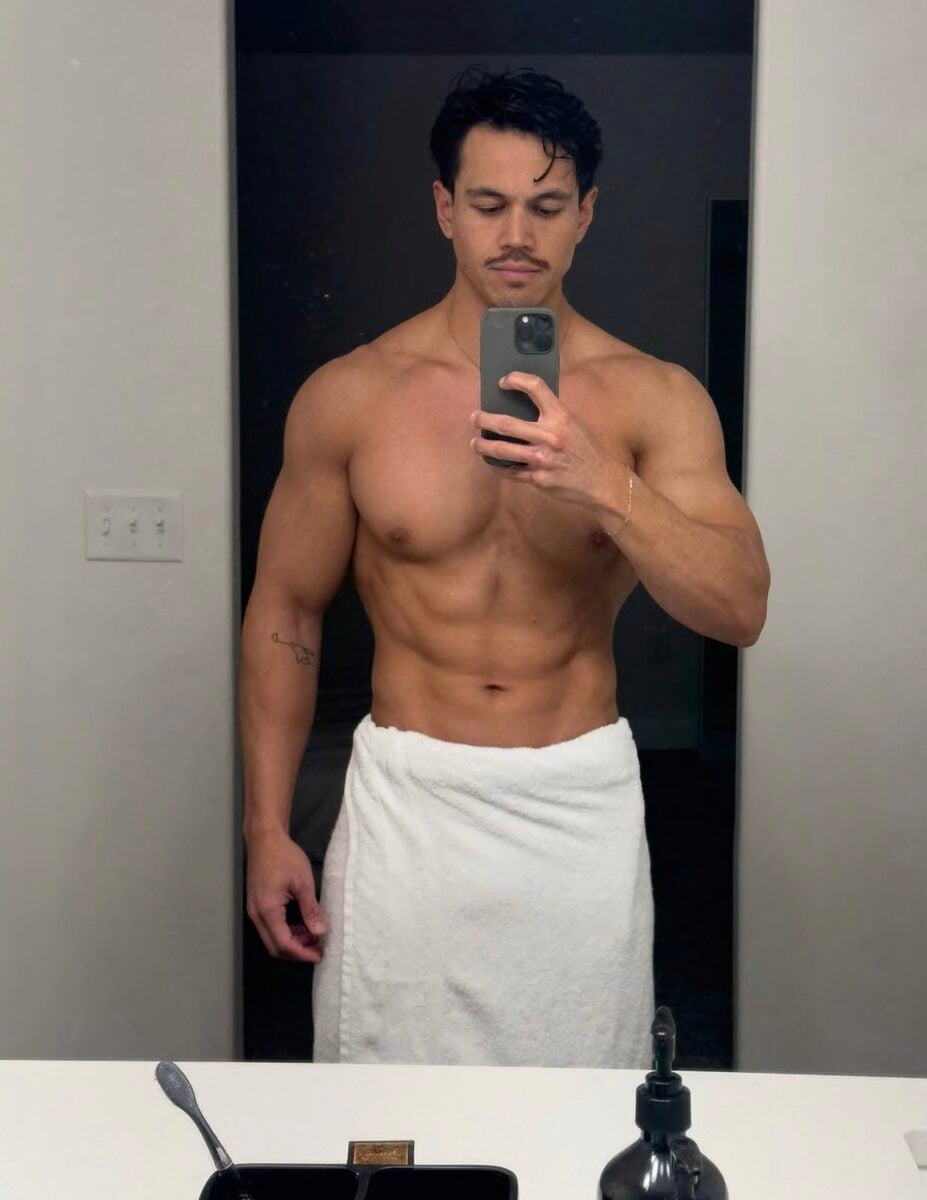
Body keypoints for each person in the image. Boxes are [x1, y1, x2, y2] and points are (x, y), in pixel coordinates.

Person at [239, 66, 770, 1068]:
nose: (516, 234)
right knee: (385, 1111)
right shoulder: (352, 395)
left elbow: (739, 608)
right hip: (409, 804)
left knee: (580, 1104)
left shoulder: (654, 399)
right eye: (488, 205)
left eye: (546, 206)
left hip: (575, 803)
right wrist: (266, 829)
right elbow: (286, 614)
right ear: (445, 209)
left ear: (586, 215)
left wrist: (602, 482)